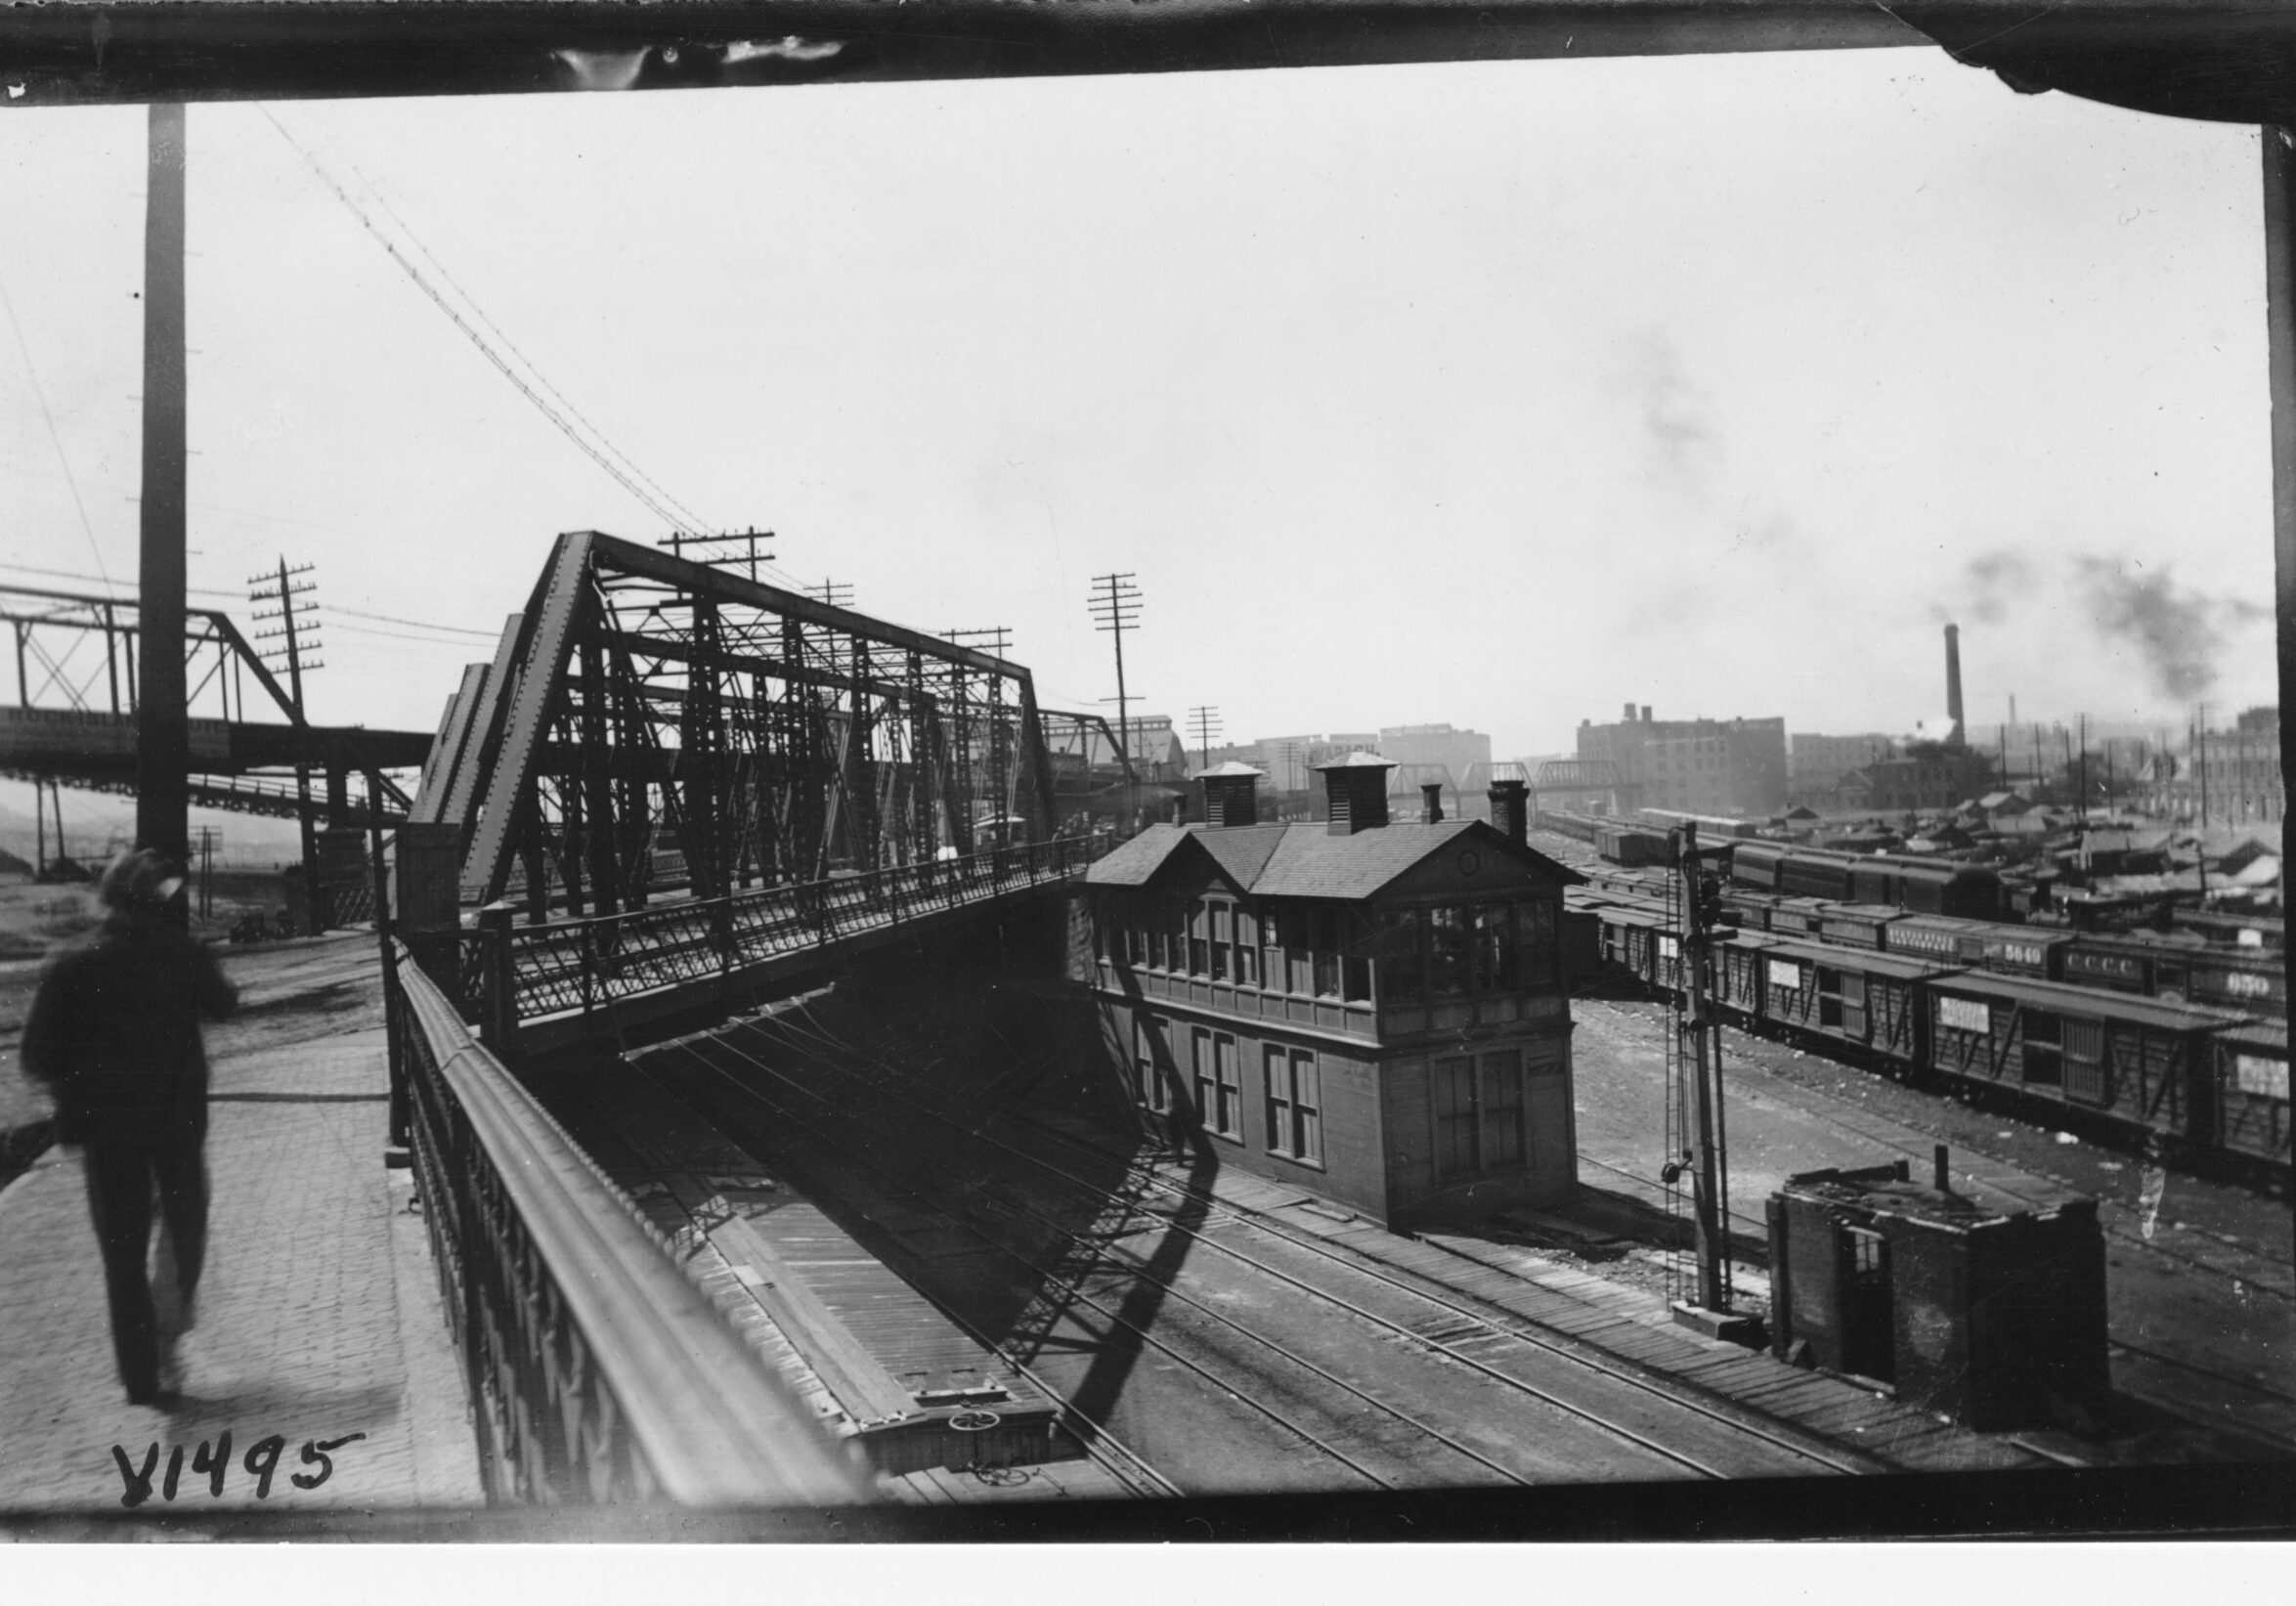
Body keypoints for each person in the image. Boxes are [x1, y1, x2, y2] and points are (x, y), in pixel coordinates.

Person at [22, 847, 238, 1407]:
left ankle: (142, 1380)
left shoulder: (70, 960)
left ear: (106, 898)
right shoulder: (181, 950)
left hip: (105, 1130)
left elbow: (37, 1056)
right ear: (157, 903)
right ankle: (169, 1330)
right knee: (185, 1228)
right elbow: (225, 1005)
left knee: (121, 1257)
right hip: (176, 1120)